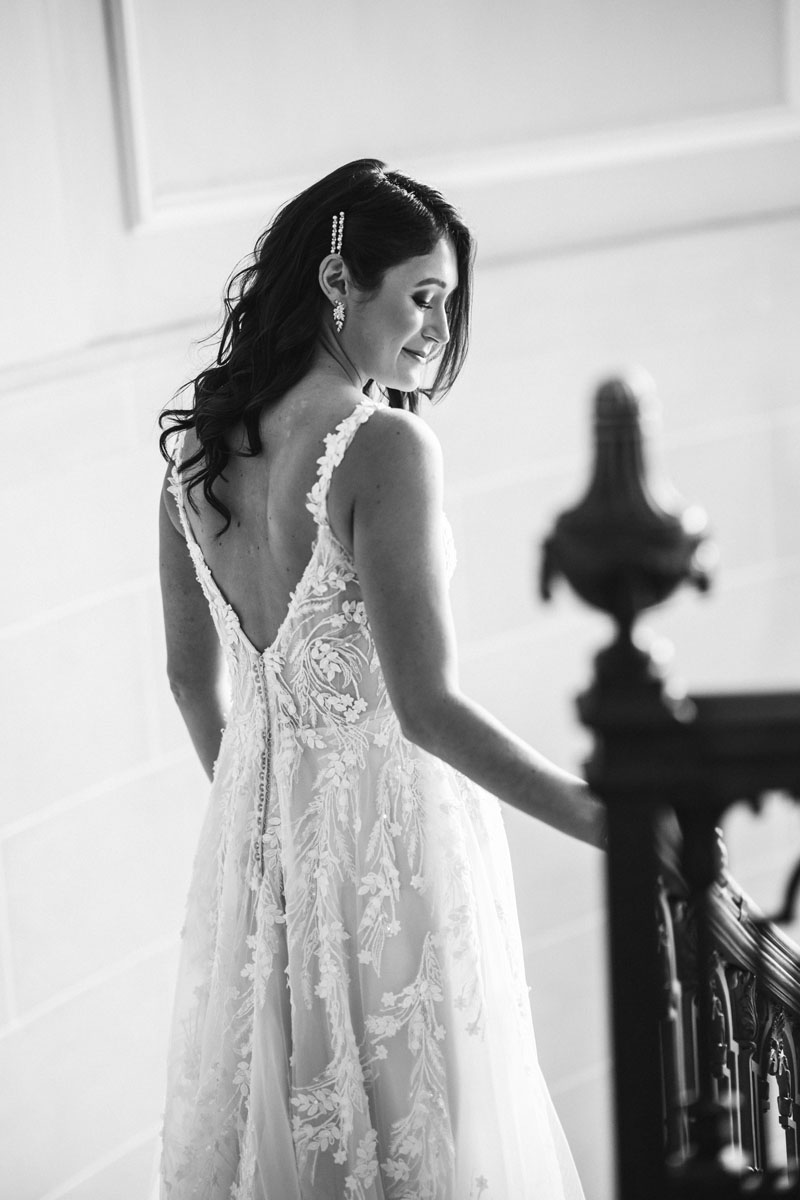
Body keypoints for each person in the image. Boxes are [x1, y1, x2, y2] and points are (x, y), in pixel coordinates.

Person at [158, 157, 603, 1200]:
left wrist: (273, 836)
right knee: (424, 1136)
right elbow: (430, 707)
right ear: (334, 283)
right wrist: (606, 819)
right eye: (421, 296)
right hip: (395, 858)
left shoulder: (196, 461)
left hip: (255, 857)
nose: (437, 331)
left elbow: (190, 682)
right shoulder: (385, 445)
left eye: (447, 304)